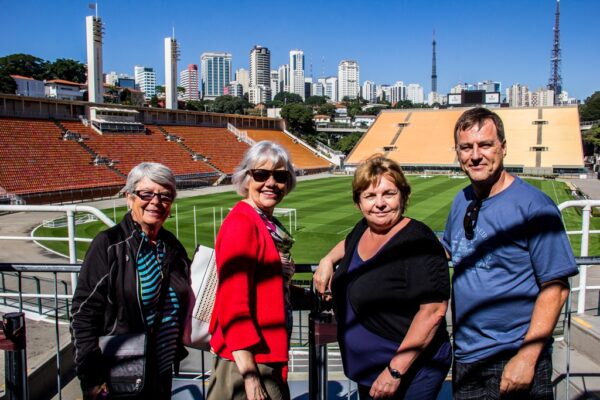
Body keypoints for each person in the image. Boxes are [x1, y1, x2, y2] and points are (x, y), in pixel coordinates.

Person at [443, 107, 579, 399]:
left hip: (513, 356)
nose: (475, 155)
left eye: (485, 145)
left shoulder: (534, 207)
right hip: (467, 357)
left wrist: (527, 359)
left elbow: (556, 288)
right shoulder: (461, 199)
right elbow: (446, 249)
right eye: (466, 147)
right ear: (457, 152)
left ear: (503, 148)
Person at [314, 155, 451, 400]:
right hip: (367, 371)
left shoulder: (419, 241)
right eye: (369, 196)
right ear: (358, 203)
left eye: (389, 193)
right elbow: (348, 244)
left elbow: (433, 312)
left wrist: (394, 372)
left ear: (403, 196)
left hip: (407, 372)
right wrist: (327, 260)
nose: (379, 204)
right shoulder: (363, 229)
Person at [71, 162, 191, 399]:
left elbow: (193, 286)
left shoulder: (171, 245)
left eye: (165, 196)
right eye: (146, 194)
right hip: (120, 374)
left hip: (162, 369)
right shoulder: (108, 244)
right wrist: (91, 378)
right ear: (129, 197)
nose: (156, 202)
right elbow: (83, 315)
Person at [207, 140, 298, 400]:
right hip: (248, 360)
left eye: (280, 176)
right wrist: (250, 376)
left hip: (263, 352)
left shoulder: (263, 223)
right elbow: (233, 304)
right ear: (246, 178)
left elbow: (260, 286)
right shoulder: (242, 223)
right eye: (261, 174)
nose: (271, 183)